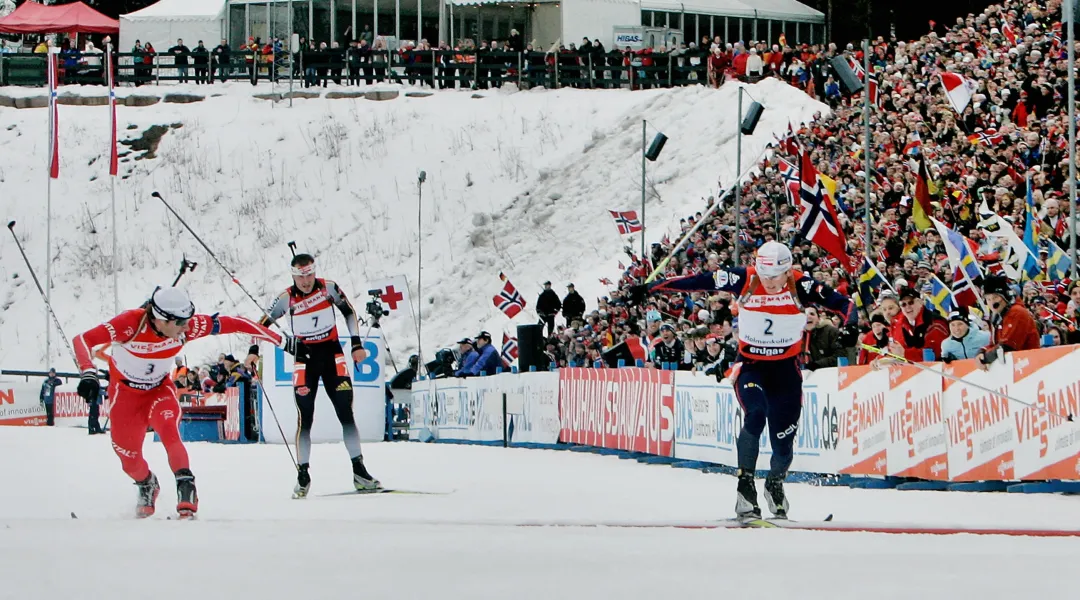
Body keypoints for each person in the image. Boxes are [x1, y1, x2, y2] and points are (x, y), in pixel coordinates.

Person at [634, 241, 855, 520]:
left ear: (788, 271)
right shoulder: (744, 278)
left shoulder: (802, 285)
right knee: (756, 413)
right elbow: (699, 280)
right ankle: (745, 486)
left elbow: (845, 305)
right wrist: (651, 288)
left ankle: (775, 483)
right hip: (751, 366)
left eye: (776, 276)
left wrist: (850, 328)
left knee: (783, 442)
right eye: (766, 275)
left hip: (786, 371)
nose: (771, 282)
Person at [73, 287, 281, 518]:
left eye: (188, 320)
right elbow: (82, 339)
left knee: (169, 430)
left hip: (158, 391)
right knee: (128, 460)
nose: (187, 327)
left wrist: (283, 342)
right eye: (181, 322)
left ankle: (186, 484)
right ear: (161, 320)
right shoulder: (130, 323)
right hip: (125, 397)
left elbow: (236, 323)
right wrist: (88, 372)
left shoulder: (186, 327)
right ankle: (147, 484)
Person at [245, 253, 379, 498]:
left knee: (346, 413)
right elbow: (260, 324)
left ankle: (360, 471)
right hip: (304, 359)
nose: (306, 281)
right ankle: (303, 474)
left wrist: (357, 344)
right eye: (300, 276)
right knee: (304, 418)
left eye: (309, 275)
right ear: (293, 275)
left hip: (333, 355)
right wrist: (254, 351)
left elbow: (348, 312)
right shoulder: (286, 298)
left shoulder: (328, 288)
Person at [976, 275, 1040, 367]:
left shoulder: (1017, 312)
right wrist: (982, 351)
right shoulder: (997, 316)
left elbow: (1008, 346)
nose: (991, 302)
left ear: (1004, 296)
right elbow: (994, 344)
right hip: (1013, 366)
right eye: (988, 299)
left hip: (1027, 365)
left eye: (995, 297)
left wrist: (985, 358)